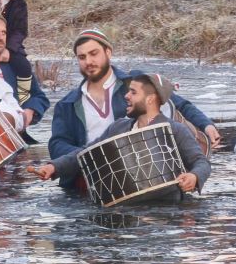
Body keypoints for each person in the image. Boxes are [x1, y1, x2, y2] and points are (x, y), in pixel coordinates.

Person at [48, 29, 218, 192]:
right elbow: (57, 145)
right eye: (82, 57)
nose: (88, 62)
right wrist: (94, 157)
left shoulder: (136, 82)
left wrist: (206, 125)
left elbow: (180, 105)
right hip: (89, 181)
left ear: (108, 52)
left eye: (94, 53)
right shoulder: (67, 103)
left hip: (147, 172)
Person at [36, 73, 209, 202]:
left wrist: (194, 177)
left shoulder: (175, 130)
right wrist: (54, 167)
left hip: (167, 212)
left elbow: (201, 162)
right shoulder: (118, 127)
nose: (126, 96)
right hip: (123, 209)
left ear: (150, 99)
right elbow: (85, 153)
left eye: (133, 92)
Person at [0, 11, 46, 131]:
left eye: (3, 33)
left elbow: (39, 96)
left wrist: (29, 111)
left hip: (17, 132)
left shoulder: (15, 65)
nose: (0, 37)